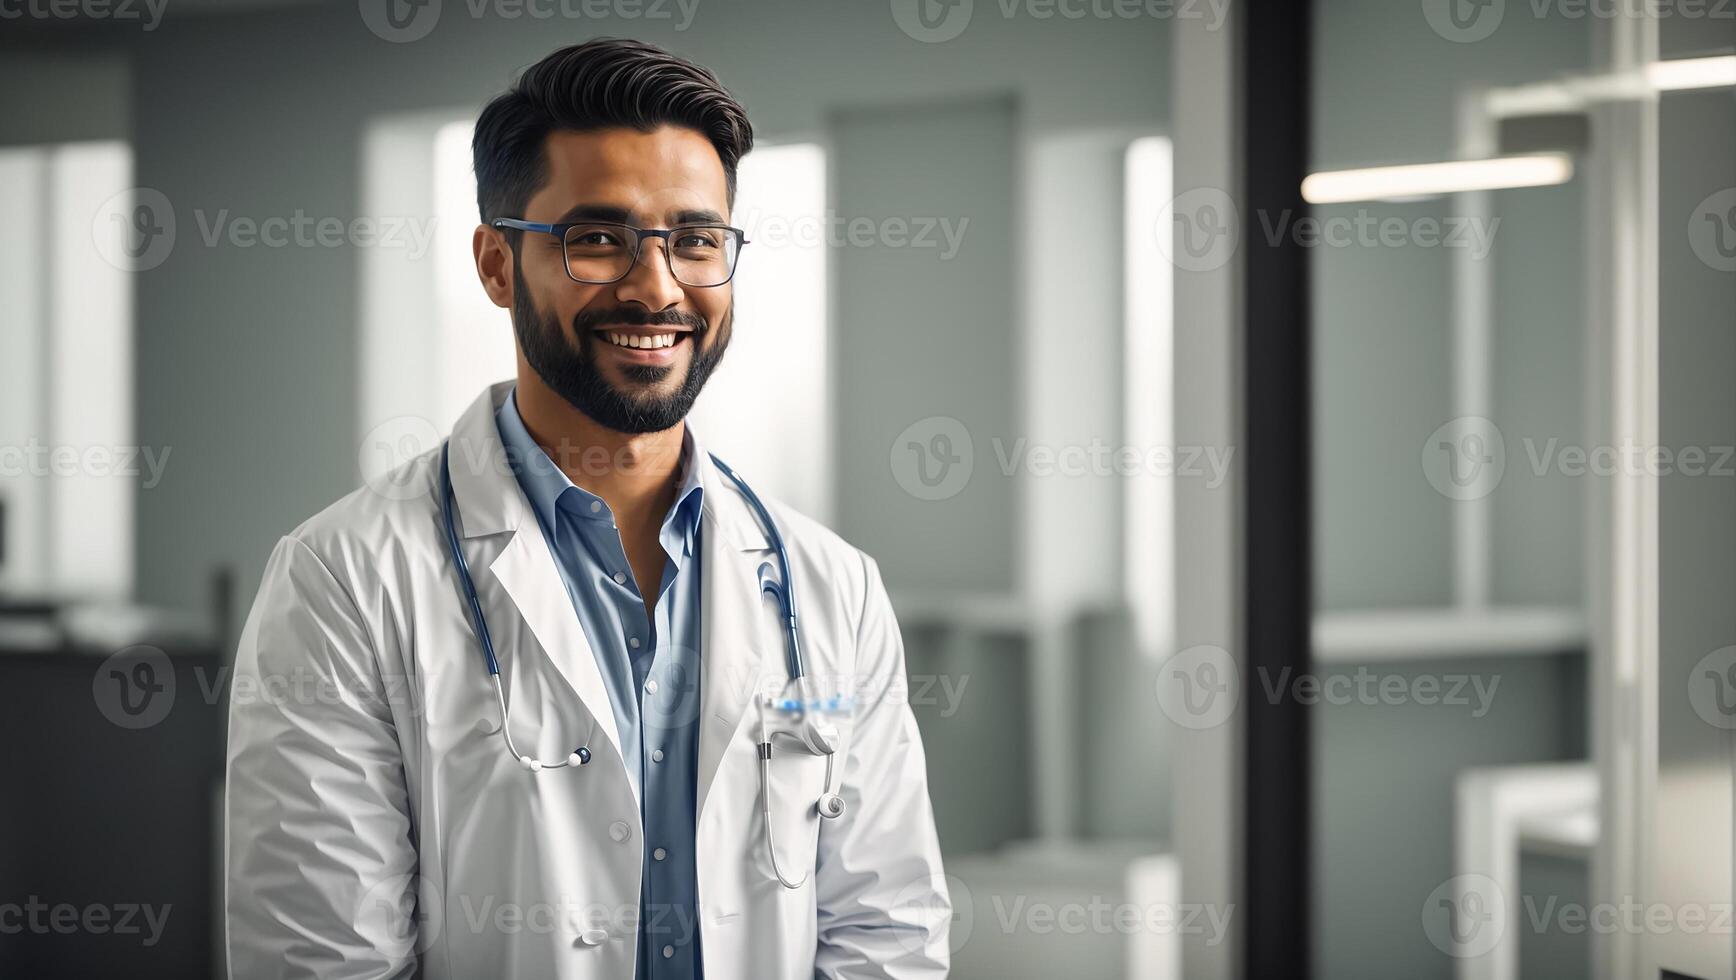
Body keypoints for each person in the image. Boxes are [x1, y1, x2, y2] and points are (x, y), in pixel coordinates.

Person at [224, 37, 950, 979]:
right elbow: (320, 963)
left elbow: (886, 936)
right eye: (599, 239)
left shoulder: (833, 588)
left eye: (695, 241)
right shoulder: (345, 580)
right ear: (496, 265)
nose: (657, 287)